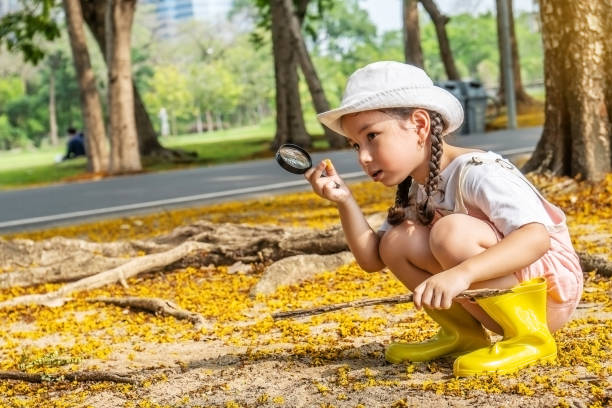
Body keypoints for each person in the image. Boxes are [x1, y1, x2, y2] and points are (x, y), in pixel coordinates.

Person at [304, 61, 583, 377]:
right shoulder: (416, 188)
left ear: (420, 125)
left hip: (546, 295)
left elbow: (536, 238)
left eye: (372, 136)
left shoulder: (478, 170)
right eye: (356, 145)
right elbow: (373, 259)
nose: (363, 157)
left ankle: (530, 337)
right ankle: (463, 335)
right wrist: (344, 201)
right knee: (396, 241)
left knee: (449, 232)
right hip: (490, 298)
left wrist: (462, 275)